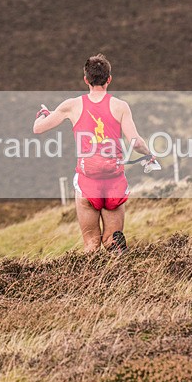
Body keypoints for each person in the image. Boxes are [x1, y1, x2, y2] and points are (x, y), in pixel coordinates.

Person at [33, 54, 158, 252]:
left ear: (86, 79)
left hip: (87, 181)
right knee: (111, 241)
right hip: (114, 180)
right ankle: (115, 248)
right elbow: (135, 141)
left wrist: (42, 115)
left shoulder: (71, 106)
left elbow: (38, 129)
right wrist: (149, 155)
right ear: (109, 79)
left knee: (91, 243)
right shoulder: (120, 106)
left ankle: (93, 280)